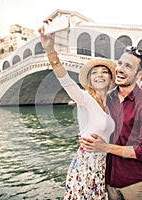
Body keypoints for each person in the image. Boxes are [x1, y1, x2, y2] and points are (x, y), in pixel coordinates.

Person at [38, 23, 116, 199]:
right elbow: (64, 79)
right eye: (94, 72)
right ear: (89, 79)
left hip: (101, 166)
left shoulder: (110, 105)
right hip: (85, 165)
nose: (100, 75)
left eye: (104, 72)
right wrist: (50, 51)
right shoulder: (84, 99)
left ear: (110, 78)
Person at [80, 46, 142, 200]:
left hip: (135, 184)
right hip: (107, 181)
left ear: (140, 74)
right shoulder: (107, 99)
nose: (120, 69)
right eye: (120, 63)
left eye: (128, 66)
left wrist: (105, 147)